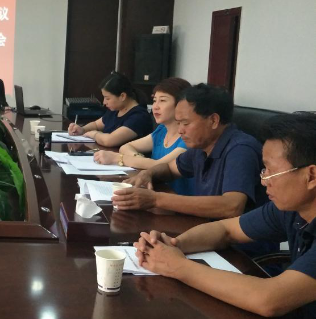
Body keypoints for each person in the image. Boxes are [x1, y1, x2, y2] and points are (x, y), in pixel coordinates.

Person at [133, 113, 316, 319]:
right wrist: (175, 245)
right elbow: (226, 229)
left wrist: (178, 266)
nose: (263, 180)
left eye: (270, 171)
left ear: (311, 176)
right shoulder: (291, 209)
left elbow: (270, 299)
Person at [113, 83, 266, 219]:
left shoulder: (240, 150)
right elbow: (169, 169)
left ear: (213, 120)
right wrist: (148, 174)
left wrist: (156, 199)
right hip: (205, 228)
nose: (180, 130)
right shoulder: (201, 146)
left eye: (185, 123)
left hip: (236, 241)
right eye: (178, 123)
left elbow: (231, 206)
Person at [94, 77, 193, 195]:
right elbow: (126, 147)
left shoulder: (189, 137)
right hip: (155, 192)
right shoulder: (162, 130)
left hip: (176, 199)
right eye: (155, 100)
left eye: (162, 101)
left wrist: (118, 158)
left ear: (181, 104)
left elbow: (160, 166)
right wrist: (141, 160)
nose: (155, 106)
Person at [67, 72, 152, 147]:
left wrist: (93, 134)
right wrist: (82, 129)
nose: (104, 102)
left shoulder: (139, 116)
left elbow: (109, 140)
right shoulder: (116, 110)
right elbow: (96, 124)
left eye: (107, 98)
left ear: (122, 96)